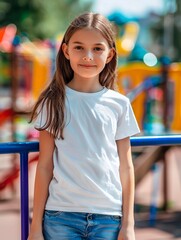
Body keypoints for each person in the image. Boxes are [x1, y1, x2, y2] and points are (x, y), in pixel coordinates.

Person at [28, 12, 140, 240]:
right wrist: (35, 228)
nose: (88, 56)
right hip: (61, 216)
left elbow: (126, 169)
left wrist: (128, 225)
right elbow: (45, 166)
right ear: (66, 50)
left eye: (98, 48)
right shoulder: (52, 101)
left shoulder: (119, 104)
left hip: (109, 218)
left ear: (110, 55)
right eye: (79, 47)